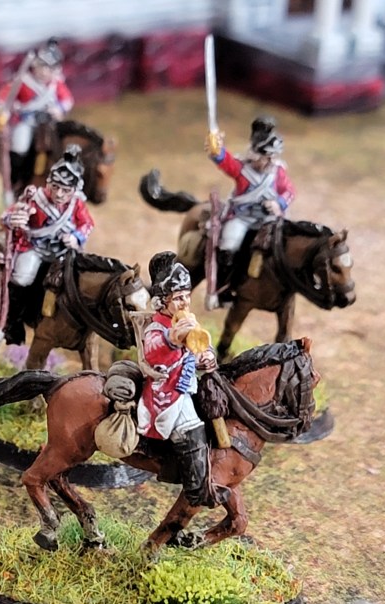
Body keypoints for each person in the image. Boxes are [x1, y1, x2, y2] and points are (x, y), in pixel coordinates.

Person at [136, 251, 221, 508]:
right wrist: (172, 339)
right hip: (167, 388)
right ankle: (196, 490)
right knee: (190, 428)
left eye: (187, 296)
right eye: (178, 298)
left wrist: (207, 357)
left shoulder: (188, 322)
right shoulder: (158, 327)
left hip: (188, 384)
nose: (184, 302)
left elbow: (201, 346)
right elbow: (152, 352)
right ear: (164, 301)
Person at [0, 145, 94, 343]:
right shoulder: (35, 198)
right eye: (55, 187)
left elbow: (87, 224)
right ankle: (13, 325)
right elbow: (6, 216)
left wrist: (76, 237)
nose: (59, 194)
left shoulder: (77, 205)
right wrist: (14, 220)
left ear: (74, 190)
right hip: (34, 247)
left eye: (66, 190)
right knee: (21, 279)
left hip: (62, 252)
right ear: (49, 183)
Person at [205, 115, 295, 308]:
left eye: (272, 158)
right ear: (257, 155)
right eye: (267, 158)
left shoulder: (278, 171)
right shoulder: (242, 170)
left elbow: (289, 191)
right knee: (229, 245)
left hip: (268, 219)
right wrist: (216, 147)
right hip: (242, 217)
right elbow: (224, 160)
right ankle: (224, 289)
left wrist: (278, 203)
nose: (271, 162)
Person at [0, 38, 74, 186]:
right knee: (20, 146)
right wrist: (7, 108)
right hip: (27, 121)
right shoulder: (23, 81)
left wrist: (59, 109)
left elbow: (67, 100)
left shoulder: (56, 84)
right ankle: (16, 178)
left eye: (49, 68)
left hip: (49, 122)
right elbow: (4, 97)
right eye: (41, 67)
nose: (44, 72)